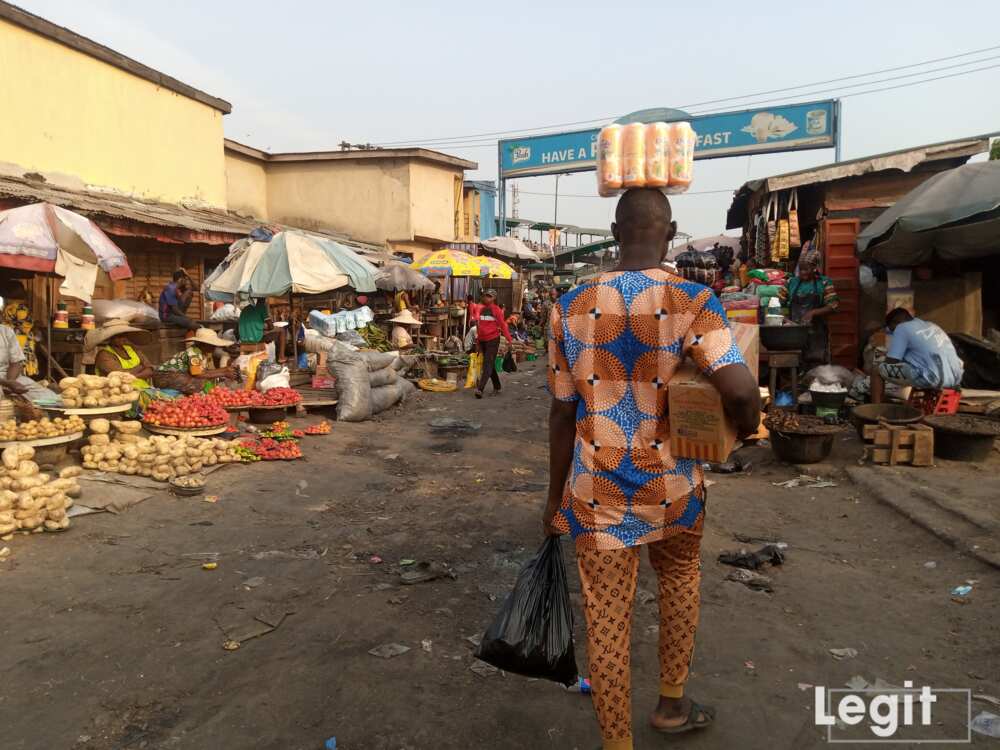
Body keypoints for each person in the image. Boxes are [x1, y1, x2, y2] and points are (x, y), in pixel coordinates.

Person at [545, 188, 760, 748]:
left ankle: (618, 742)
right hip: (675, 487)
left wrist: (553, 497)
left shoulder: (567, 304)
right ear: (670, 233)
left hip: (597, 491)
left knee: (607, 622)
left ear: (615, 234)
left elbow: (562, 411)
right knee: (681, 579)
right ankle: (671, 703)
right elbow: (737, 388)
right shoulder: (694, 300)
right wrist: (751, 424)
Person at [88, 318, 172, 415]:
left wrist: (134, 375)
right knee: (159, 407)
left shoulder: (132, 349)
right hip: (121, 394)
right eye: (118, 336)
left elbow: (150, 369)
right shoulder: (104, 355)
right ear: (111, 338)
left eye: (124, 336)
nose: (122, 339)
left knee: (174, 398)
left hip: (145, 389)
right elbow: (120, 376)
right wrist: (141, 368)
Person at [778, 243, 839, 364]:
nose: (803, 273)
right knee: (794, 363)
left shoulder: (824, 283)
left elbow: (834, 306)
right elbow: (779, 303)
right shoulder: (790, 282)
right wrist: (784, 318)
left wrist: (813, 312)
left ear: (815, 268)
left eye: (806, 269)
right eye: (801, 269)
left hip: (816, 332)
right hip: (793, 332)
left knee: (815, 363)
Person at [879, 308, 963, 390]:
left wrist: (884, 357)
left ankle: (877, 404)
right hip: (955, 379)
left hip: (932, 378)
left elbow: (891, 362)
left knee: (877, 369)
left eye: (891, 328)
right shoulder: (932, 325)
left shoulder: (901, 328)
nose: (892, 332)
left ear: (895, 322)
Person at [153, 328, 237, 394]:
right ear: (204, 344)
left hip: (178, 375)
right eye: (213, 345)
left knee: (206, 380)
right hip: (164, 376)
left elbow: (204, 371)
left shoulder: (203, 354)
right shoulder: (193, 353)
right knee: (200, 383)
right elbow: (198, 374)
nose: (214, 347)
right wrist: (224, 373)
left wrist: (225, 369)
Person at [474, 289, 512, 399]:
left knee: (487, 364)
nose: (486, 298)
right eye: (485, 296)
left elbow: (503, 325)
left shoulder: (497, 310)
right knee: (489, 364)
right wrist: (478, 342)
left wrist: (509, 340)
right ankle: (497, 386)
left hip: (493, 340)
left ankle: (480, 389)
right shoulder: (482, 310)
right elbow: (479, 327)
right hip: (483, 340)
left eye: (489, 296)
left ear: (494, 298)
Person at [2, 281, 38, 377]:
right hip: (18, 340)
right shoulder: (16, 307)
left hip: (19, 341)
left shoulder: (17, 308)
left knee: (17, 365)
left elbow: (24, 327)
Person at [238, 299, 287, 363]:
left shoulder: (245, 309)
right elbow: (271, 326)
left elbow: (251, 325)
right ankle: (281, 357)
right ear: (265, 301)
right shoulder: (261, 308)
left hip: (243, 339)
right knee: (282, 331)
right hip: (256, 338)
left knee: (268, 333)